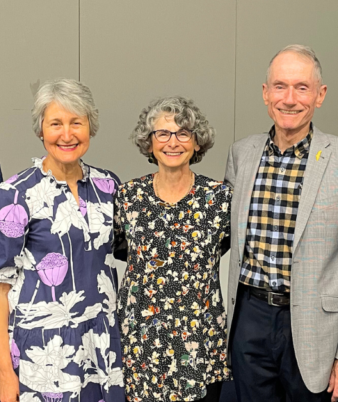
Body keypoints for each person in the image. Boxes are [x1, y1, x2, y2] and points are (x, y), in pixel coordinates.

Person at [224, 44, 338, 402]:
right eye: (280, 86)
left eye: (302, 88)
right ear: (266, 93)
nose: (290, 99)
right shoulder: (241, 154)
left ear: (320, 95)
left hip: (315, 326)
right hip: (250, 317)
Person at [0, 78, 124, 402]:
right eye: (56, 123)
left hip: (101, 346)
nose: (67, 134)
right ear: (40, 130)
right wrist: (6, 371)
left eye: (77, 123)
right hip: (41, 351)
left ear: (91, 127)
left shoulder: (109, 187)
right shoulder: (15, 195)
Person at [114, 96, 231, 402]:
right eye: (163, 133)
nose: (173, 142)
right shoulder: (128, 196)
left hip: (199, 342)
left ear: (197, 142)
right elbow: (121, 249)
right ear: (149, 142)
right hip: (142, 343)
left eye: (183, 133)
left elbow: (224, 247)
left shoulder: (219, 198)